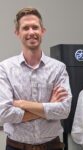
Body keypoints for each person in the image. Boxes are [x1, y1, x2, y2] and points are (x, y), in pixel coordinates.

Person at [0, 7, 72, 150]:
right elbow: (3, 113)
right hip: (16, 147)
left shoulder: (58, 68)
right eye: (25, 28)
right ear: (17, 33)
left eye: (35, 27)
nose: (31, 32)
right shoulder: (5, 68)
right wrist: (48, 108)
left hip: (52, 146)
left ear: (42, 31)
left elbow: (64, 110)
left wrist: (21, 103)